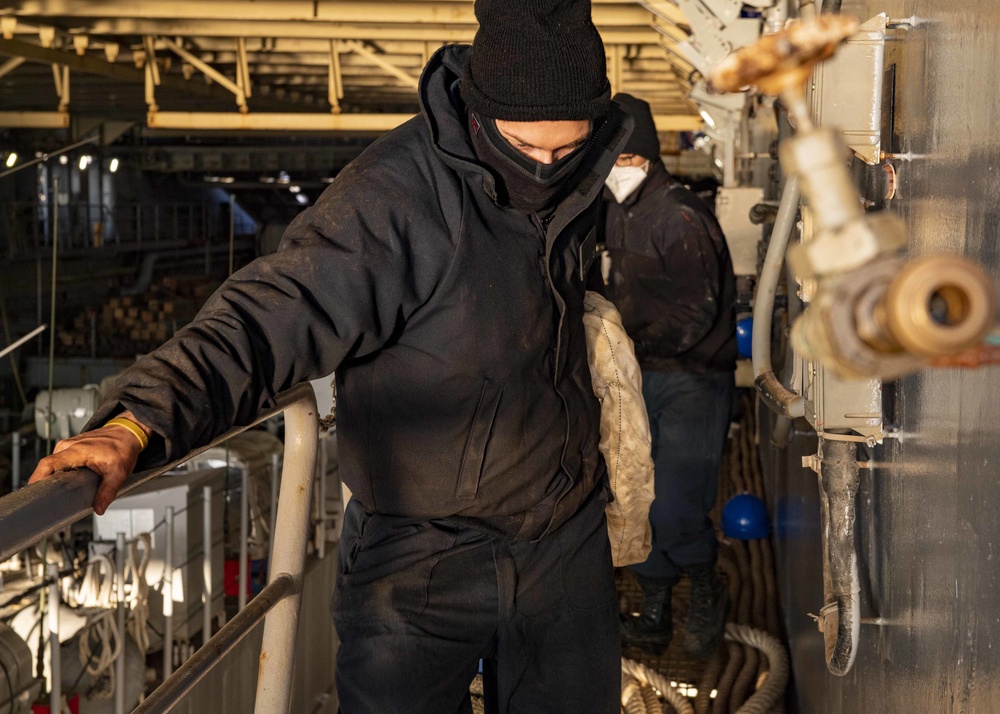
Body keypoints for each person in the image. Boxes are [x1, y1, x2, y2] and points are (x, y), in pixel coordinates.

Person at [29, 1, 638, 712]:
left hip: (558, 535)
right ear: (479, 110)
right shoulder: (393, 199)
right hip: (420, 554)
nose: (545, 169)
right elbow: (267, 317)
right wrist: (137, 421)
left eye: (564, 152)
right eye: (524, 148)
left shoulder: (582, 170)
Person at [601, 93, 736, 658]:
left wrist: (631, 343)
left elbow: (697, 312)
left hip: (691, 378)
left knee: (678, 503)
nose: (615, 172)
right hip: (641, 376)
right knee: (637, 495)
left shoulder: (680, 217)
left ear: (647, 160)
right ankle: (655, 609)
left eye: (624, 161)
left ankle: (708, 585)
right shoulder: (620, 212)